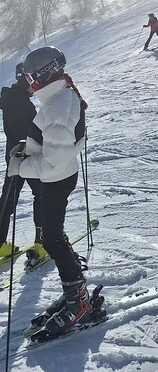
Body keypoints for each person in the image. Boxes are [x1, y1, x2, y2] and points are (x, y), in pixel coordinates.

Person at [7, 46, 99, 339]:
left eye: (31, 77)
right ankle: (77, 291)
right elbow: (51, 141)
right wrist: (27, 147)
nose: (29, 83)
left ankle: (78, 302)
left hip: (56, 179)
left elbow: (51, 162)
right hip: (59, 176)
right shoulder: (59, 97)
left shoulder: (58, 104)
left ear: (42, 76)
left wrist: (20, 167)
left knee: (52, 239)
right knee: (54, 236)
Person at [0, 63, 45, 265]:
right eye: (34, 82)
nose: (36, 86)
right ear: (26, 80)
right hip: (27, 158)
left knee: (7, 200)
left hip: (13, 157)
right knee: (42, 195)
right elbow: (29, 133)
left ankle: (0, 244)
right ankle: (42, 243)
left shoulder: (11, 98)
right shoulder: (22, 103)